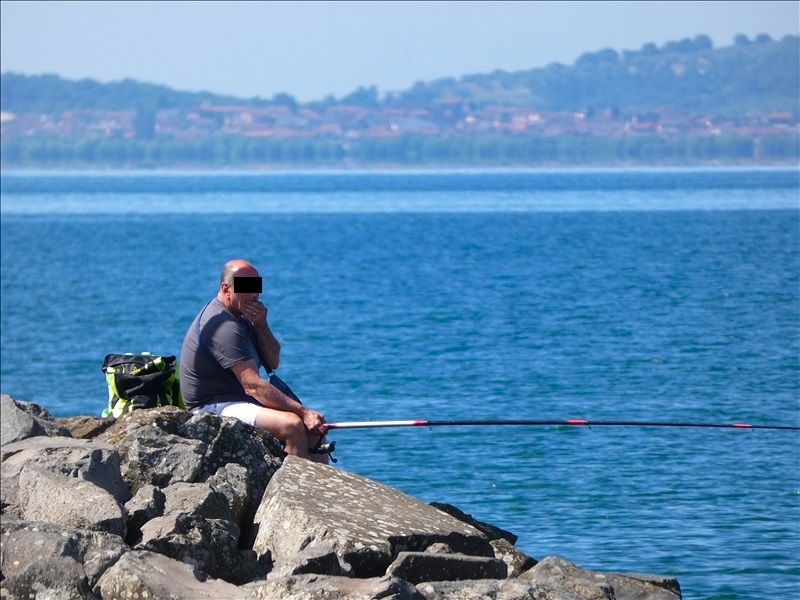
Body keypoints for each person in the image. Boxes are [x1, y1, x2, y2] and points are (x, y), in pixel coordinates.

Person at [180, 259, 329, 462]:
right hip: (212, 406)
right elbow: (252, 386)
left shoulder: (243, 317)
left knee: (314, 430)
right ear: (226, 289)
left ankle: (317, 481)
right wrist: (303, 412)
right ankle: (296, 483)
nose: (254, 295)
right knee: (292, 425)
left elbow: (273, 361)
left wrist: (262, 326)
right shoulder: (223, 325)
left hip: (236, 399)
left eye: (256, 286)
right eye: (246, 287)